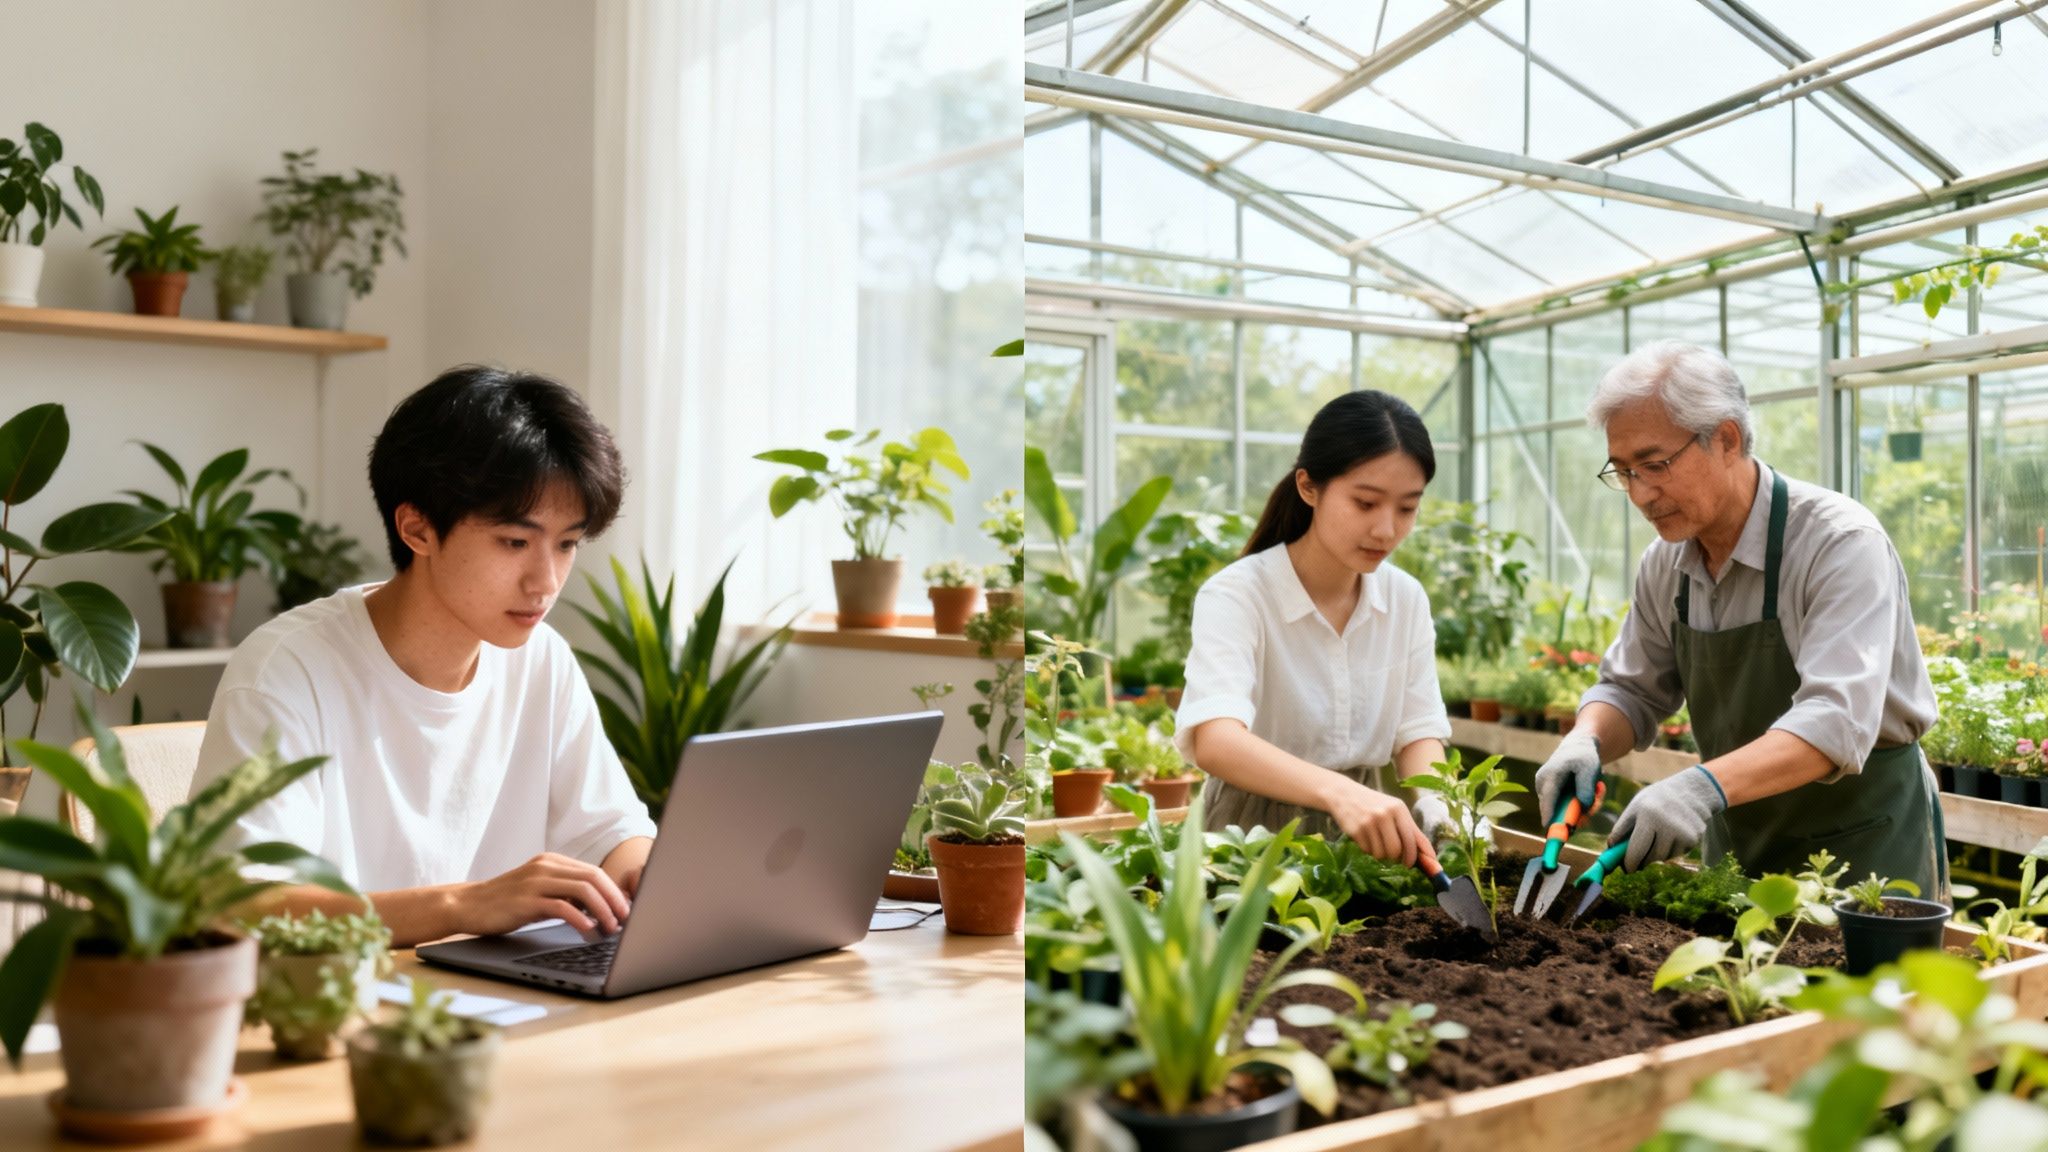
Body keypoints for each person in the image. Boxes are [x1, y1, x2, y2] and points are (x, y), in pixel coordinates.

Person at [186, 365, 658, 948]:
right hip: (338, 1012)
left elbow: (613, 832)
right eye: (515, 542)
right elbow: (239, 905)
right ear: (416, 529)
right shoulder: (287, 671)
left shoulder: (543, 661)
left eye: (566, 545)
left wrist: (639, 871)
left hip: (507, 1003)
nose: (546, 581)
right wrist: (465, 904)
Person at [1536, 341, 1945, 896]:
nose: (1640, 493)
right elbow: (1632, 690)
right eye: (1624, 471)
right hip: (1740, 841)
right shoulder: (1666, 562)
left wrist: (1698, 787)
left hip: (1863, 843)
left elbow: (1836, 719)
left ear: (1726, 439)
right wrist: (1586, 739)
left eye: (1655, 465)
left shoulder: (1838, 543)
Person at [1173, 390, 1456, 865]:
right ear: (1309, 487)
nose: (1387, 530)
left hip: (1366, 843)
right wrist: (1339, 793)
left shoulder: (1404, 599)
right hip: (1247, 839)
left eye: (1407, 508)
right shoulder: (1239, 594)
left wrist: (1438, 803)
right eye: (1365, 503)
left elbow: (1418, 729)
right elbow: (1216, 740)